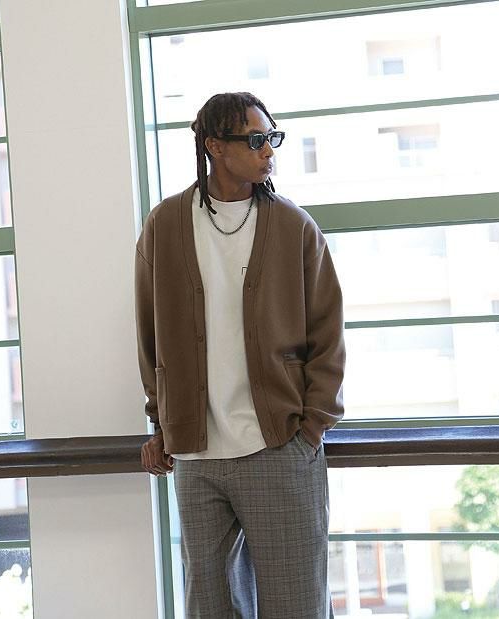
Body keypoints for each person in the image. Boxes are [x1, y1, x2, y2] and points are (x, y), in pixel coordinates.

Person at [135, 91, 345, 619]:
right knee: (210, 609)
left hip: (278, 447)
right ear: (215, 147)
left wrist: (311, 428)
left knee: (296, 605)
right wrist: (161, 422)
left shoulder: (294, 227)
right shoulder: (166, 225)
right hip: (196, 458)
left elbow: (328, 332)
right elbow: (150, 334)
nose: (268, 151)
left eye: (272, 138)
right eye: (255, 140)